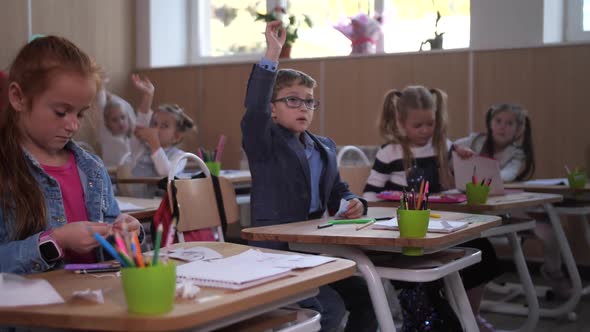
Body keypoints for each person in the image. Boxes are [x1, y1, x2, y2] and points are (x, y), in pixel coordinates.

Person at [241, 21, 377, 332]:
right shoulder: (264, 141)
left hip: (315, 248)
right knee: (328, 308)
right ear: (272, 109)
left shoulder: (324, 146)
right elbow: (254, 109)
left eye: (309, 101)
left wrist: (354, 202)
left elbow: (339, 191)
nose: (303, 107)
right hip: (276, 252)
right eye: (292, 99)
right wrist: (272, 55)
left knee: (368, 294)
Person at [0, 36, 141, 274]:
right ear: (18, 97)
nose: (73, 125)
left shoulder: (91, 167)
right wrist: (54, 241)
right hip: (34, 309)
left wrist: (125, 235)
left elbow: (113, 250)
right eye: (61, 112)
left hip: (95, 301)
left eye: (81, 114)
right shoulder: (6, 169)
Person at [363, 86, 501, 332]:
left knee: (483, 252)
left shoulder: (444, 147)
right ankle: (431, 317)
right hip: (404, 234)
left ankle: (470, 314)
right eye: (418, 126)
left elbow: (455, 184)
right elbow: (369, 196)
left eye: (431, 124)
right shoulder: (389, 153)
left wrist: (462, 157)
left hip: (439, 229)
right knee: (426, 273)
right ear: (400, 122)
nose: (426, 131)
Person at [455, 104, 569, 299]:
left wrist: (486, 171)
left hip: (505, 206)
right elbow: (451, 147)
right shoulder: (476, 140)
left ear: (518, 129)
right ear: (490, 123)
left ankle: (553, 272)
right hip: (473, 205)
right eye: (498, 121)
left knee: (549, 232)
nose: (502, 127)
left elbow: (507, 175)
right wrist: (459, 151)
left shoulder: (517, 152)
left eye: (509, 123)